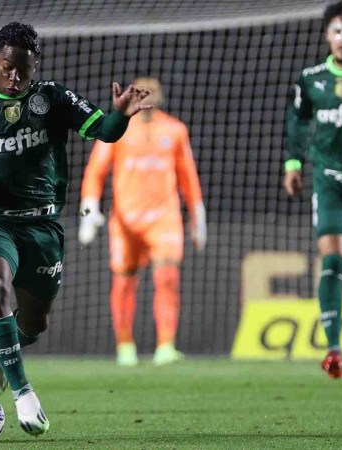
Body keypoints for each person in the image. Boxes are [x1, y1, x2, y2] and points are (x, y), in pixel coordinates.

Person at [0, 22, 152, 435]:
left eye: (23, 70)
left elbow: (105, 133)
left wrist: (120, 115)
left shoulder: (53, 98)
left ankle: (3, 353)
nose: (14, 77)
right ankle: (24, 392)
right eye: (8, 67)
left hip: (43, 226)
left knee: (35, 324)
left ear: (35, 66)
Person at [78, 77, 206, 367]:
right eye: (140, 90)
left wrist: (198, 216)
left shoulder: (174, 130)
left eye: (154, 90)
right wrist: (88, 212)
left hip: (164, 218)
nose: (148, 94)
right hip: (125, 220)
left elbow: (188, 176)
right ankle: (125, 347)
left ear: (161, 95)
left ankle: (166, 346)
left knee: (168, 278)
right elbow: (96, 171)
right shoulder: (117, 128)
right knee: (124, 282)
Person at [283, 1, 342, 379]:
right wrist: (293, 164)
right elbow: (297, 122)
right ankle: (335, 348)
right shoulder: (310, 80)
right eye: (338, 31)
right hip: (330, 182)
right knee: (333, 259)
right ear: (327, 35)